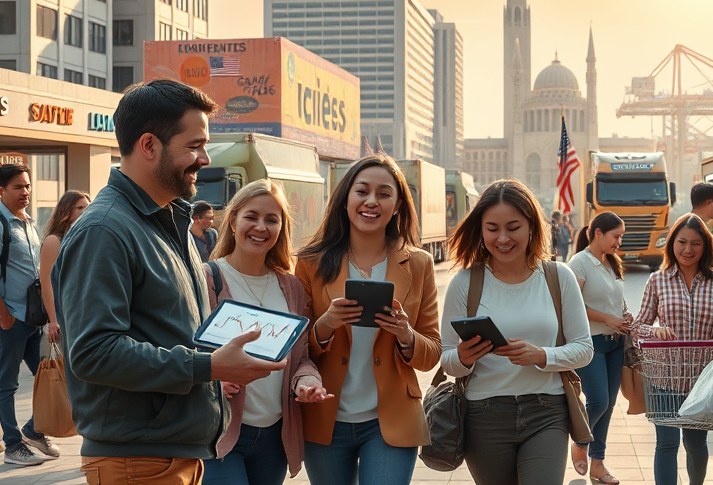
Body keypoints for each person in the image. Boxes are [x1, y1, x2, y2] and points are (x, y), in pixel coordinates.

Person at [55, 80, 285, 485]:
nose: (204, 157)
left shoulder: (166, 221)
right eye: (194, 145)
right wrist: (207, 365)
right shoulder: (105, 230)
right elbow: (92, 352)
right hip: (137, 462)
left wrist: (219, 361)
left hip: (171, 456)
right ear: (149, 145)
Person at [295, 154, 441, 485]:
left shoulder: (418, 264)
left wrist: (406, 335)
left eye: (384, 193)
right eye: (362, 191)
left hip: (390, 421)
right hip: (325, 418)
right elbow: (295, 348)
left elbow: (432, 351)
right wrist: (325, 325)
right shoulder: (310, 262)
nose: (371, 201)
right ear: (345, 197)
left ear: (398, 204)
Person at [441, 179, 593, 485]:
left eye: (513, 227)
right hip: (483, 414)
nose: (503, 238)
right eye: (492, 228)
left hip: (547, 411)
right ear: (480, 229)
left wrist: (541, 355)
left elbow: (584, 349)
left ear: (531, 227)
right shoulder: (464, 283)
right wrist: (464, 357)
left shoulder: (558, 276)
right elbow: (447, 361)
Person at [202, 180, 331, 485]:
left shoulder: (291, 287)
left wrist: (308, 384)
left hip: (274, 438)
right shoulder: (208, 278)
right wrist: (214, 376)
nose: (261, 227)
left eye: (272, 220)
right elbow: (186, 352)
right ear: (233, 220)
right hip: (221, 434)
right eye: (251, 216)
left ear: (281, 229)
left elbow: (301, 359)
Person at [632, 213, 713, 485]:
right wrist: (653, 330)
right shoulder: (658, 280)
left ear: (706, 247)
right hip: (663, 378)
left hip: (701, 379)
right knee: (666, 443)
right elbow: (637, 326)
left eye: (695, 244)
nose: (687, 250)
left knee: (695, 443)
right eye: (681, 242)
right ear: (671, 244)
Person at [0, 164, 59, 466]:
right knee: (7, 384)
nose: (25, 192)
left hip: (31, 319)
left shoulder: (27, 223)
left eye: (27, 186)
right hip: (8, 318)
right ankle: (13, 446)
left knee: (51, 377)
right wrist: (3, 316)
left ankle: (32, 431)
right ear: (1, 190)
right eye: (17, 187)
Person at [568, 211, 628, 485]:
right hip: (590, 343)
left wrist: (625, 316)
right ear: (598, 233)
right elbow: (573, 304)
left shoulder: (611, 262)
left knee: (609, 405)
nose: (619, 242)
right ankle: (580, 440)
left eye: (621, 236)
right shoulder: (579, 263)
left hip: (616, 343)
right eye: (616, 236)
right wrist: (607, 318)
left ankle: (598, 467)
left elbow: (616, 299)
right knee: (599, 402)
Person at [38, 190, 91, 344]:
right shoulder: (54, 240)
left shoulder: (84, 238)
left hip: (83, 312)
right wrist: (53, 320)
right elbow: (46, 281)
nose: (86, 211)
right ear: (66, 211)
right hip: (63, 314)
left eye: (88, 207)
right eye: (80, 208)